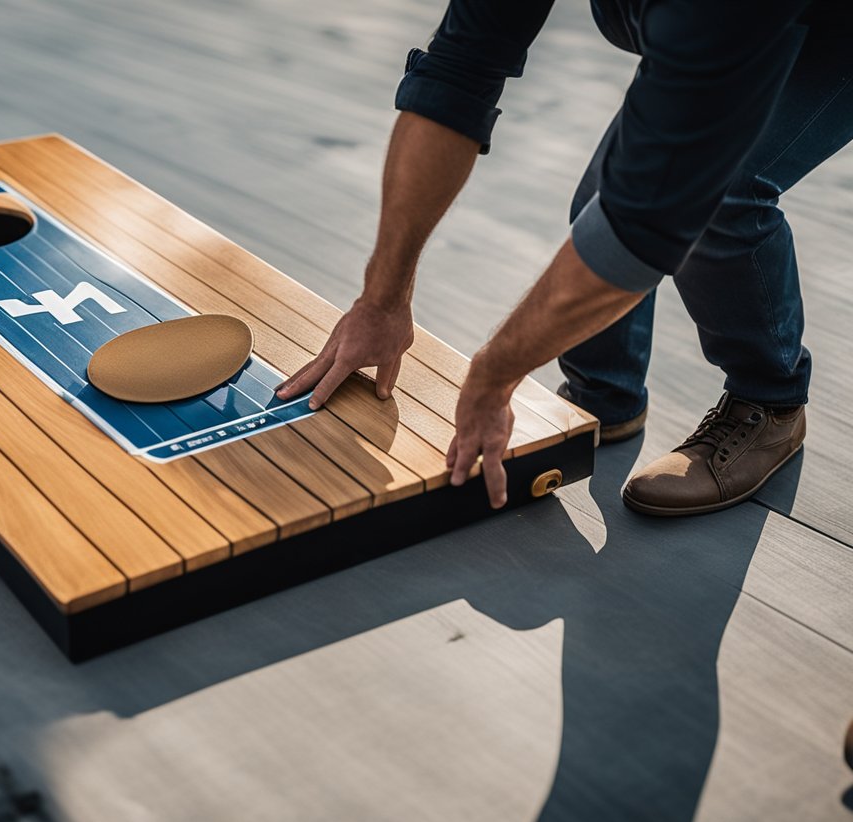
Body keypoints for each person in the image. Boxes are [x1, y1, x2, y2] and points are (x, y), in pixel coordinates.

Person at [277, 0, 853, 516]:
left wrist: (496, 372)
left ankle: (771, 404)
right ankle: (604, 401)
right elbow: (457, 75)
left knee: (719, 202)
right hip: (729, 28)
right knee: (602, 200)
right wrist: (381, 300)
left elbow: (648, 224)